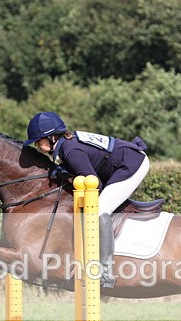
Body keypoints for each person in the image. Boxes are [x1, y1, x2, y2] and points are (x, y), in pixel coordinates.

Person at [23, 111, 150, 288]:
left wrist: (67, 176)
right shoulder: (65, 146)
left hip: (132, 163)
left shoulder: (70, 150)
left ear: (52, 137)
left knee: (100, 208)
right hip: (119, 162)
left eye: (39, 141)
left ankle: (106, 270)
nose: (37, 145)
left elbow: (94, 185)